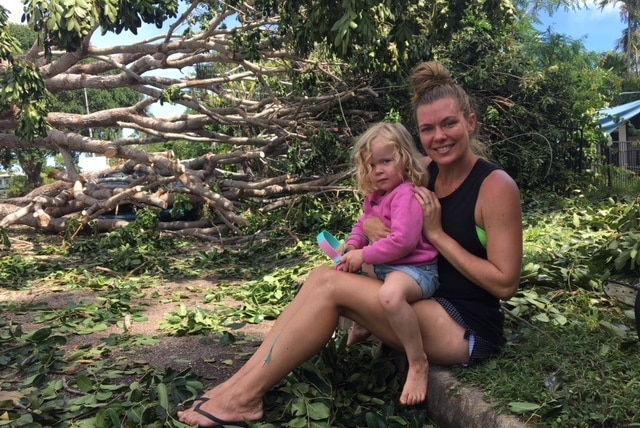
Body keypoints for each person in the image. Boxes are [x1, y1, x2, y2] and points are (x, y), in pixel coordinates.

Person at [177, 60, 523, 427]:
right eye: (428, 129)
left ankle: (245, 398)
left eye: (450, 123)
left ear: (470, 123)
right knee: (320, 277)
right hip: (423, 298)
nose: (440, 137)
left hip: (464, 326)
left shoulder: (495, 186)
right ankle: (239, 384)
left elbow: (506, 284)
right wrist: (370, 231)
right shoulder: (424, 170)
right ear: (418, 137)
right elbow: (379, 181)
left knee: (329, 286)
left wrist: (436, 234)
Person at [338, 121, 439, 405]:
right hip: (387, 267)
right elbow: (361, 226)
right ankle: (363, 325)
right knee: (345, 277)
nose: (377, 170)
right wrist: (352, 246)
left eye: (385, 161)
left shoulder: (405, 194)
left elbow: (403, 242)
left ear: (405, 160)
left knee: (390, 296)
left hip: (416, 270)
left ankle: (418, 361)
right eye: (371, 165)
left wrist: (364, 256)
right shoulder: (375, 198)